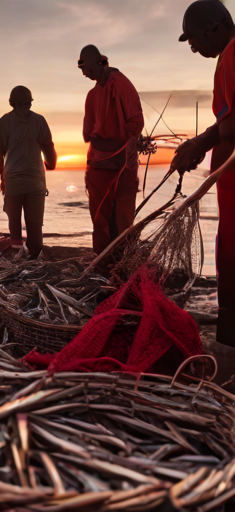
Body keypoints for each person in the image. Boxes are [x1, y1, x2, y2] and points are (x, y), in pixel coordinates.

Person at [171, 0, 235, 347]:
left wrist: (200, 143)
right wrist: (202, 144)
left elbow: (229, 129)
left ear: (213, 27)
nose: (193, 46)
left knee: (231, 265)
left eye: (193, 39)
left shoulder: (232, 54)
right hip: (229, 186)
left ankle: (226, 356)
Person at [79, 45, 144, 254]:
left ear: (98, 63)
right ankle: (104, 265)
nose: (83, 73)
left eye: (85, 67)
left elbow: (136, 122)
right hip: (98, 165)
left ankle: (123, 264)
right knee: (100, 220)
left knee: (122, 221)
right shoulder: (92, 95)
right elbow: (86, 134)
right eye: (80, 67)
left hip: (123, 163)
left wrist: (123, 144)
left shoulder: (121, 85)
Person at [0, 86, 57, 259]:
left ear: (12, 103)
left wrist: (3, 175)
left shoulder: (3, 122)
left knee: (14, 222)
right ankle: (34, 256)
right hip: (35, 181)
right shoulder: (39, 120)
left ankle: (17, 254)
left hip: (14, 180)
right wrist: (51, 163)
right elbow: (48, 147)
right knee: (35, 224)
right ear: (29, 102)